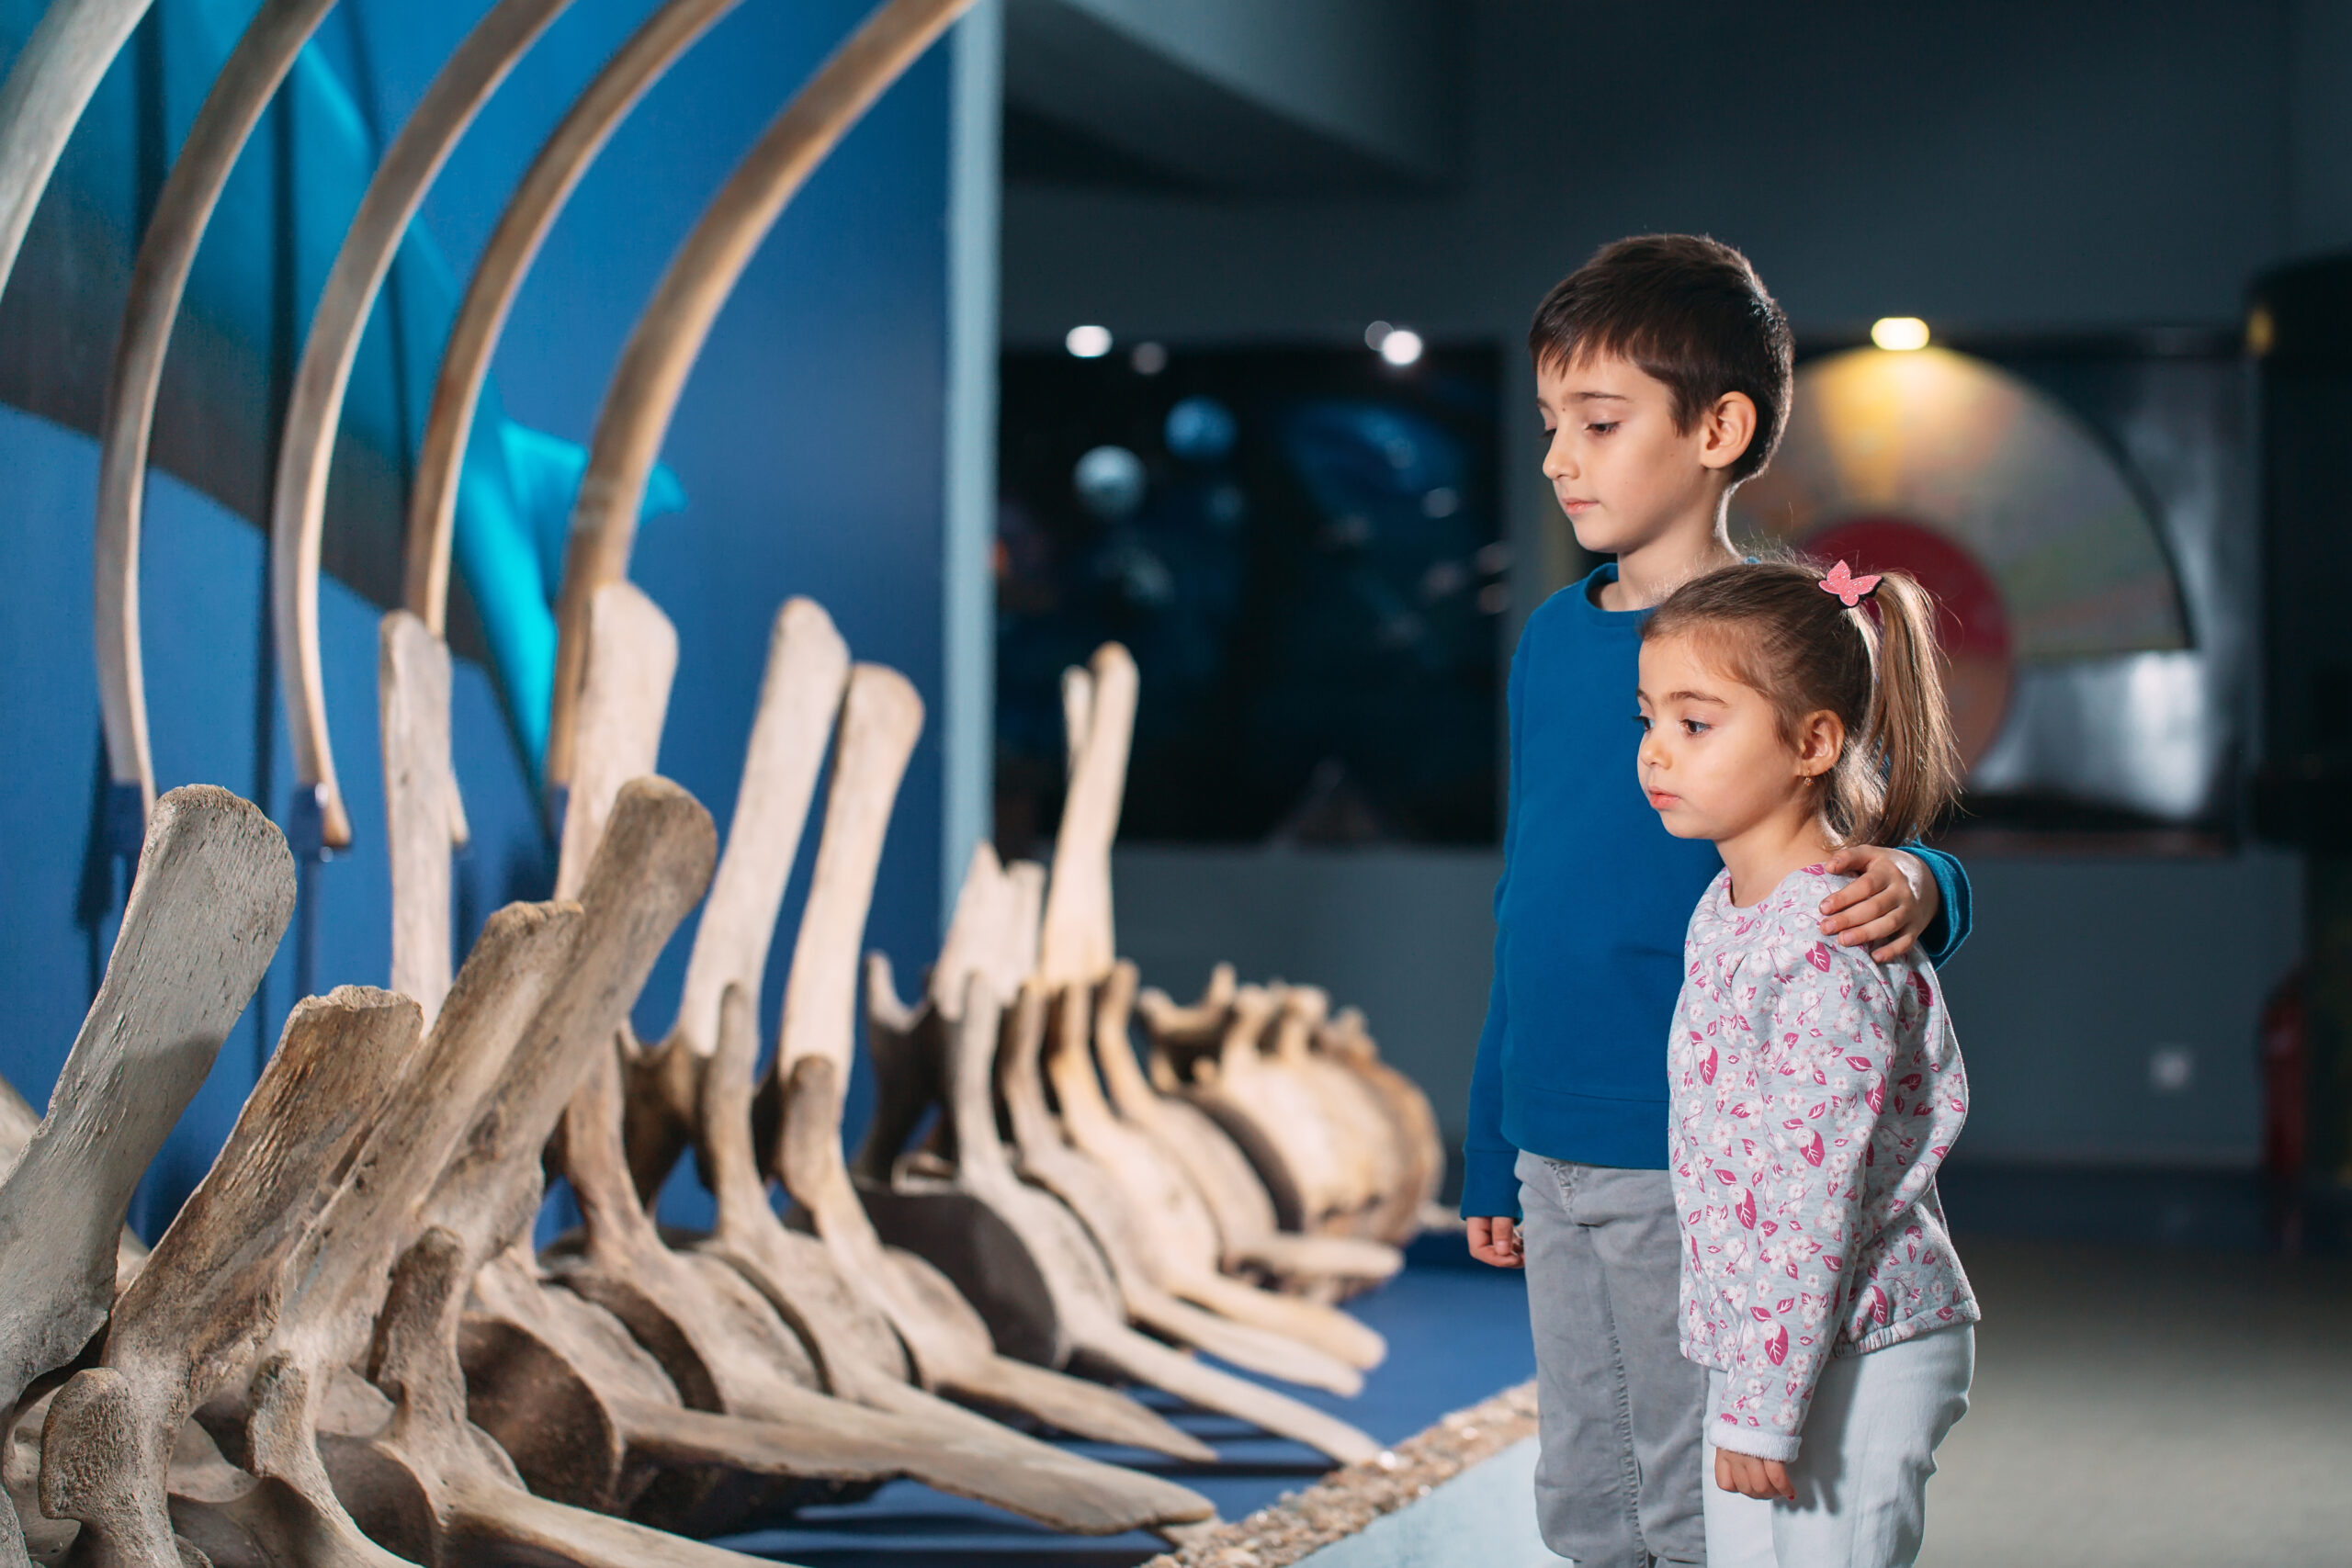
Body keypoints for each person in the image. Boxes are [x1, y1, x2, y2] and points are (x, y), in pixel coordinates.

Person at [1461, 234, 1972, 1568]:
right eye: (1550, 424)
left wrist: (1927, 880)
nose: (1561, 456)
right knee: (1584, 1482)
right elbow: (1531, 895)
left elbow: (1872, 842)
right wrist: (1489, 1124)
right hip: (1549, 1133)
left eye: (1601, 420)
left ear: (1719, 426)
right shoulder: (1551, 640)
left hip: (1694, 1150)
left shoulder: (1773, 637)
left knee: (1697, 1491)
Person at [1637, 558, 1977, 1566]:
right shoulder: (1723, 909)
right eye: (1646, 720)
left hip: (1856, 1346)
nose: (1656, 753)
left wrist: (1759, 1405)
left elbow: (1809, 1193)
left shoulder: (1824, 945)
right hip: (1785, 1352)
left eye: (1695, 725)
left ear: (1813, 742)